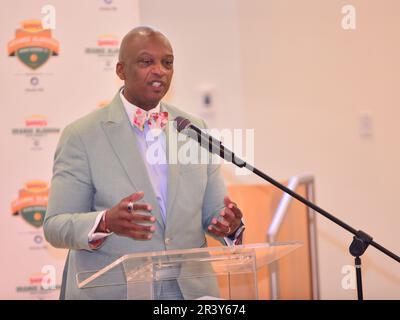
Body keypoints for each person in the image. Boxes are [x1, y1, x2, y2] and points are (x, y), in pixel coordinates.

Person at [44, 26, 244, 300]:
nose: (160, 70)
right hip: (115, 292)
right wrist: (104, 222)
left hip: (189, 294)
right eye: (146, 62)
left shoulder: (194, 129)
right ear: (121, 71)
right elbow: (56, 225)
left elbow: (214, 214)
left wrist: (228, 226)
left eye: (167, 63)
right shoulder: (82, 136)